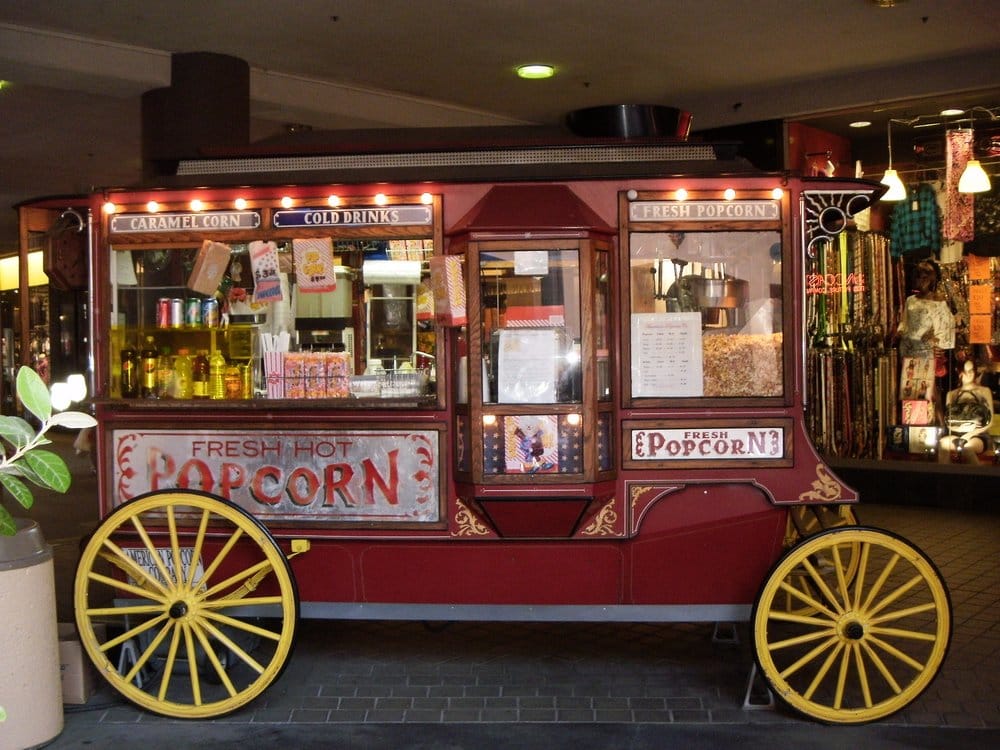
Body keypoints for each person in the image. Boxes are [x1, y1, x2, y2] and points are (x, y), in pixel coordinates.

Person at [938, 360, 994, 464]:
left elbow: (990, 422)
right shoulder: (952, 394)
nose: (969, 374)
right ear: (960, 372)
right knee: (942, 444)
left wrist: (971, 433)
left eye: (971, 370)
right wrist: (959, 430)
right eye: (966, 371)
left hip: (978, 434)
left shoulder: (983, 391)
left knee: (967, 449)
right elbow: (948, 421)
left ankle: (978, 477)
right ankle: (945, 476)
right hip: (957, 433)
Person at [897, 259, 955, 360]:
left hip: (927, 352)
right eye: (918, 277)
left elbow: (946, 328)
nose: (921, 281)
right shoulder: (910, 300)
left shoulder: (938, 302)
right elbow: (904, 323)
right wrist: (901, 334)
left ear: (931, 279)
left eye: (924, 277)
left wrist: (937, 343)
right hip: (910, 350)